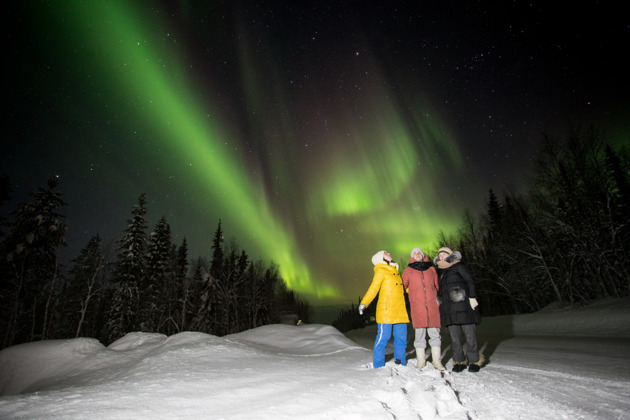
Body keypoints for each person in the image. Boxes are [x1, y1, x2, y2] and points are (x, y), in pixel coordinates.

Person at [434, 246, 484, 373]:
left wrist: (472, 297)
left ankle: (474, 361)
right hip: (449, 310)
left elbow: (469, 281)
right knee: (455, 337)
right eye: (439, 256)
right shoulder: (440, 272)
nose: (441, 257)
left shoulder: (458, 266)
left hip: (463, 306)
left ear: (450, 255)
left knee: (470, 335)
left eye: (444, 254)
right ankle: (459, 361)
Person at [359, 250, 410, 368]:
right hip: (386, 310)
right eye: (386, 253)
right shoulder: (381, 270)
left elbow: (402, 289)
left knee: (401, 337)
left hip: (400, 309)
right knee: (383, 337)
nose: (389, 253)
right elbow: (373, 288)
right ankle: (378, 364)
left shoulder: (395, 271)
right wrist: (364, 303)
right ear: (381, 258)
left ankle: (400, 361)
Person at [402, 248, 445, 371]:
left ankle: (437, 361)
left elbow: (437, 286)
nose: (417, 254)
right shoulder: (408, 270)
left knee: (435, 335)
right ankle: (421, 361)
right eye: (415, 253)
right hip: (418, 307)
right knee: (419, 336)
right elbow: (401, 286)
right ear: (412, 256)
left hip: (432, 307)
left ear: (423, 255)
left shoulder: (431, 269)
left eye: (419, 252)